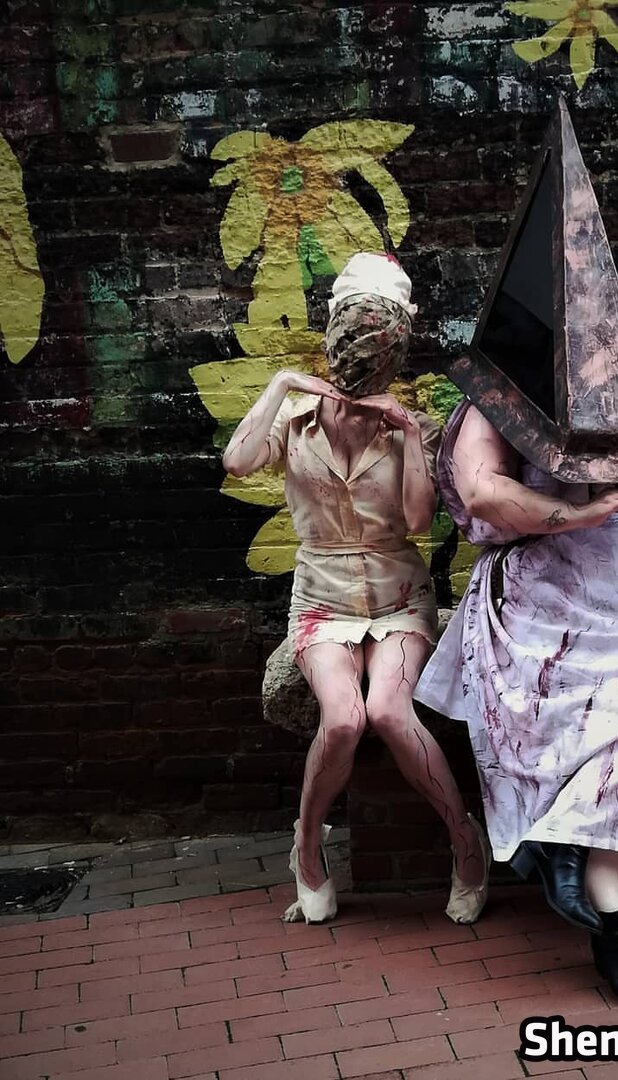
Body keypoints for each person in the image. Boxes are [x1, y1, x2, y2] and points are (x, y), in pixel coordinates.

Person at [415, 394, 618, 1012]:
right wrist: (579, 513)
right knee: (574, 716)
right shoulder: (495, 397)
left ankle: (562, 845)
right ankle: (613, 927)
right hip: (539, 585)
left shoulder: (612, 375)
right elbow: (480, 491)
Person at [222, 253, 491, 925]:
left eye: (380, 340)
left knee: (390, 713)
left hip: (400, 599)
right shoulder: (296, 420)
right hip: (322, 600)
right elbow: (237, 460)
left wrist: (407, 433)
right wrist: (283, 382)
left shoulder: (410, 426)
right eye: (357, 335)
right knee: (343, 718)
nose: (365, 352)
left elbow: (417, 521)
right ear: (336, 336)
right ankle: (307, 848)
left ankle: (466, 842)